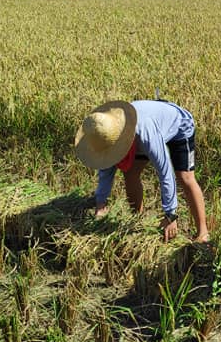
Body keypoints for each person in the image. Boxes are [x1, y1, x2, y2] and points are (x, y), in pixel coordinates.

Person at [74, 98, 209, 243]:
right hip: (139, 132)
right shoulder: (106, 133)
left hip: (179, 126)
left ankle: (203, 233)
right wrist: (100, 203)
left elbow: (165, 172)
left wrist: (170, 215)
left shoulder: (146, 134)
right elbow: (106, 169)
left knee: (185, 177)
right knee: (130, 173)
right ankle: (137, 219)